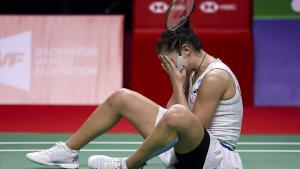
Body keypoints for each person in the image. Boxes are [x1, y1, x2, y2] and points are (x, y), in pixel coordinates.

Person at [26, 25, 243, 169]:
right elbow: (171, 113)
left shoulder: (215, 77)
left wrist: (178, 84)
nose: (166, 67)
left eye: (168, 62)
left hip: (215, 159)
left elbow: (193, 126)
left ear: (185, 50)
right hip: (188, 151)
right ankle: (67, 151)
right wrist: (180, 83)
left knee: (177, 116)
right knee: (122, 97)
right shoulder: (192, 71)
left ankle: (127, 165)